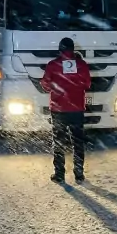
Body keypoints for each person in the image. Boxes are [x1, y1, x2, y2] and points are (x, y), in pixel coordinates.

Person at [40, 37, 91, 183]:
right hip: (77, 108)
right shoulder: (82, 64)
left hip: (58, 109)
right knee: (78, 141)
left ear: (60, 49)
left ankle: (59, 175)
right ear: (73, 49)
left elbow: (45, 84)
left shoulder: (53, 65)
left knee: (59, 141)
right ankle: (79, 174)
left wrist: (52, 86)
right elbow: (87, 84)